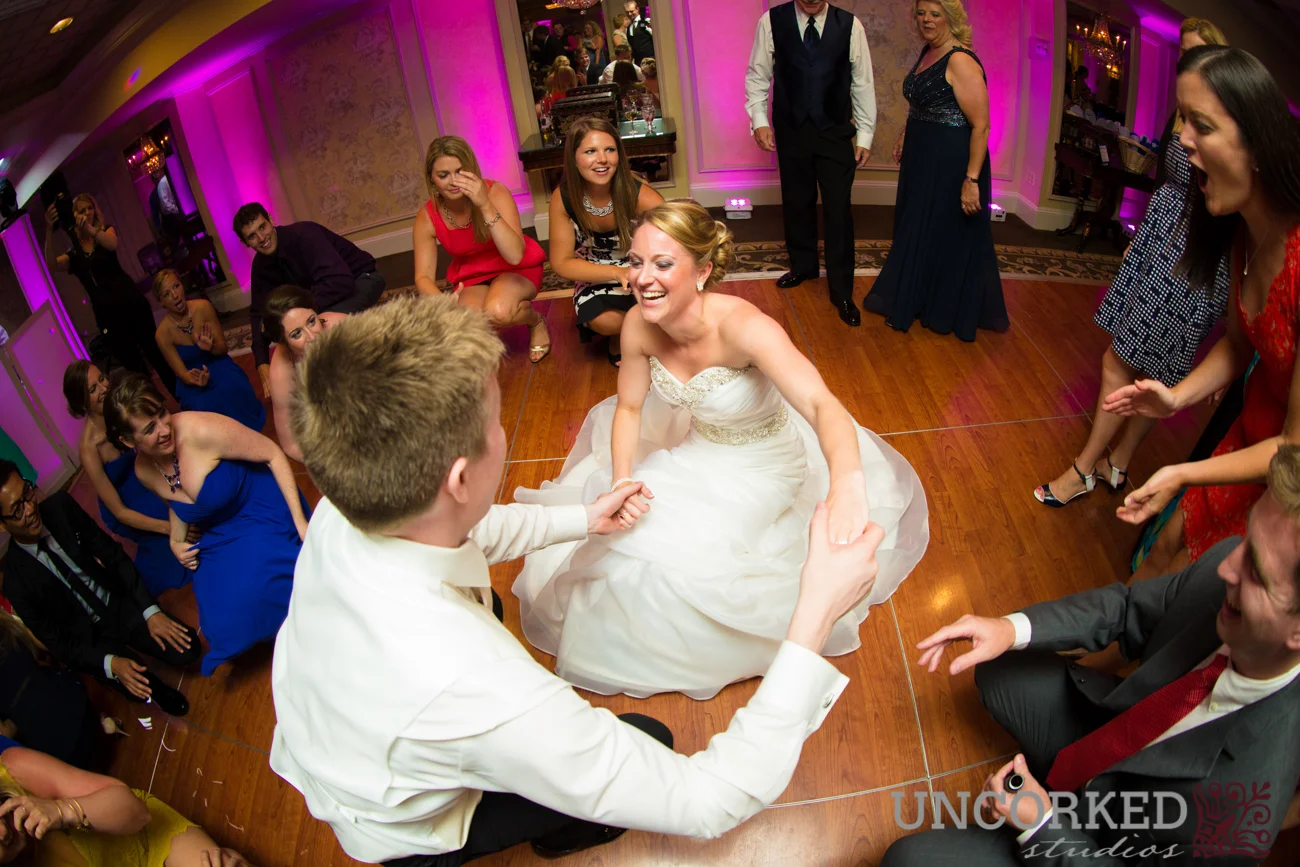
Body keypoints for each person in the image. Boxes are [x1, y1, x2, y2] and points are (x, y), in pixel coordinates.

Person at [270, 294, 886, 865]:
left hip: (327, 721)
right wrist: (813, 612)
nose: (503, 431)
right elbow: (709, 801)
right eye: (494, 423)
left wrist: (583, 519)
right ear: (460, 479)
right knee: (649, 738)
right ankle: (558, 828)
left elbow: (467, 530)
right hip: (400, 822)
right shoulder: (475, 684)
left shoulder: (346, 504)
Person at [513, 200, 928, 697]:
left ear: (703, 270)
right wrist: (623, 479)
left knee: (690, 561)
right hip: (698, 450)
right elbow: (627, 410)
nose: (643, 278)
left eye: (663, 264)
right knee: (620, 539)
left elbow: (820, 404)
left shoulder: (744, 326)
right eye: (635, 261)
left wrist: (849, 482)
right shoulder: (637, 327)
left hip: (765, 465)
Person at [882, 444, 1300, 865]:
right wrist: (1009, 629)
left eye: (1257, 574)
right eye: (1247, 538)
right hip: (1105, 732)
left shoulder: (1243, 816)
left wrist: (1041, 826)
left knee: (905, 860)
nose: (1227, 566)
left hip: (1102, 845)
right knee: (998, 662)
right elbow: (1126, 608)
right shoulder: (1224, 567)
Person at [1100, 46, 1300, 583]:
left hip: (1287, 479)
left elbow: (1295, 447)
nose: (1182, 140)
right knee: (1161, 555)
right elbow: (1239, 345)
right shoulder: (1240, 232)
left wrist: (1182, 470)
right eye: (1182, 120)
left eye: (1202, 125)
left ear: (1258, 141)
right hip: (1247, 441)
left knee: (1193, 593)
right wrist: (1174, 398)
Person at [1033, 18, 1229, 508]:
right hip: (1162, 242)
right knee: (1152, 374)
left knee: (1120, 364)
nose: (1189, 62)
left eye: (1198, 53)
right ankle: (1117, 464)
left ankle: (1082, 471)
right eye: (1183, 53)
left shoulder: (1224, 115)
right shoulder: (1186, 107)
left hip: (1188, 259)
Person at [104, 373, 309, 676]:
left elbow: (272, 454)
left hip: (258, 503)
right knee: (219, 619)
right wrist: (175, 541)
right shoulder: (143, 472)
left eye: (162, 413)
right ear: (127, 440)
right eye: (149, 428)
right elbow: (178, 502)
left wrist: (300, 521)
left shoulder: (200, 430)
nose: (163, 429)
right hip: (220, 525)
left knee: (260, 586)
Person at [0, 460, 197, 717]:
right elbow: (60, 644)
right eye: (17, 510)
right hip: (90, 641)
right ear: (2, 525)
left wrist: (151, 611)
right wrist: (110, 664)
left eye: (27, 493)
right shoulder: (15, 581)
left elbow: (114, 556)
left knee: (189, 649)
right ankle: (156, 690)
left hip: (116, 601)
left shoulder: (60, 507)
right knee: (141, 687)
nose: (29, 509)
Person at [862, 1, 1007, 341]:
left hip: (951, 163)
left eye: (935, 13)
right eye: (921, 12)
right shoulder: (928, 51)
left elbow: (982, 126)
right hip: (922, 158)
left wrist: (971, 180)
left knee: (943, 230)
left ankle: (940, 307)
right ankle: (915, 296)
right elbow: (922, 105)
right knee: (918, 226)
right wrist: (903, 133)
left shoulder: (960, 59)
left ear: (951, 19)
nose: (926, 19)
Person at [745, 0, 876, 327]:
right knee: (797, 201)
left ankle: (842, 290)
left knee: (837, 209)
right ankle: (803, 266)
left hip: (834, 132)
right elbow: (758, 75)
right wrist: (759, 120)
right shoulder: (771, 22)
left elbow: (862, 82)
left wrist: (864, 135)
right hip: (791, 129)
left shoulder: (850, 25)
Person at [0, 738, 256, 866]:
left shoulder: (14, 769)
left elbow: (136, 813)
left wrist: (64, 809)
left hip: (144, 839)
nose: (2, 830)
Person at [414, 136, 551, 363]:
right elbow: (422, 277)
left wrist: (484, 205)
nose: (454, 181)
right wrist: (442, 302)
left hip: (515, 267)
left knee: (498, 311)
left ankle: (535, 320)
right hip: (473, 275)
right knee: (466, 322)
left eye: (460, 171)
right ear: (432, 179)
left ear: (471, 169)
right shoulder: (427, 216)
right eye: (443, 175)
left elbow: (515, 255)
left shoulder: (495, 192)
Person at [233, 202, 386, 397]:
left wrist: (302, 313)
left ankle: (360, 382)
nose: (262, 238)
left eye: (262, 227)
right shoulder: (260, 266)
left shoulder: (304, 234)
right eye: (252, 236)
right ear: (246, 243)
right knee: (295, 333)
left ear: (271, 220)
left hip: (362, 279)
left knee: (320, 323)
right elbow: (257, 315)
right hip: (323, 297)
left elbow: (340, 282)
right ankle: (322, 385)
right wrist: (262, 362)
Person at [63, 361, 188, 596]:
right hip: (126, 503)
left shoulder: (122, 408)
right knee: (180, 526)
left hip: (148, 472)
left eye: (102, 379)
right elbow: (119, 512)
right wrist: (168, 527)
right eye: (92, 389)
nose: (103, 388)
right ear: (81, 404)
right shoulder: (89, 448)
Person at [548, 117, 664, 366]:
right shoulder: (564, 198)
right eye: (590, 151)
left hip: (643, 268)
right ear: (574, 157)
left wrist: (648, 272)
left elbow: (679, 238)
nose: (602, 159)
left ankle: (643, 336)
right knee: (607, 321)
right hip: (596, 273)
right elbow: (561, 263)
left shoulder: (639, 194)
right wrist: (615, 272)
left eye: (609, 150)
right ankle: (629, 336)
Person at [42, 194, 176, 395]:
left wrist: (90, 229)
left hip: (132, 302)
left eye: (90, 208)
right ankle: (154, 406)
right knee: (134, 366)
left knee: (155, 353)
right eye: (81, 210)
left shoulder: (105, 231)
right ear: (73, 215)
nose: (87, 213)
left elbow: (112, 243)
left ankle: (180, 395)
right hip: (108, 316)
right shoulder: (74, 253)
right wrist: (49, 231)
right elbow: (52, 264)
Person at [151, 269, 266, 432]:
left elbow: (223, 349)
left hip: (217, 362)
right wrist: (198, 380)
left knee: (232, 387)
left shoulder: (203, 307)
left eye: (176, 286)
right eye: (167, 294)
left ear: (182, 286)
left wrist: (210, 347)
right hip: (193, 377)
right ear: (161, 302)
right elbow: (182, 374)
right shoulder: (162, 334)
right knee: (204, 405)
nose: (175, 295)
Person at [0, 610, 101, 770]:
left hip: (61, 752)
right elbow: (41, 660)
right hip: (82, 708)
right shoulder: (9, 626)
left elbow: (5, 736)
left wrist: (17, 710)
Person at [262, 285, 347, 464]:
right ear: (283, 342)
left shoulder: (341, 325)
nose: (312, 336)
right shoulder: (281, 373)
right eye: (296, 334)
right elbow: (290, 444)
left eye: (311, 321)